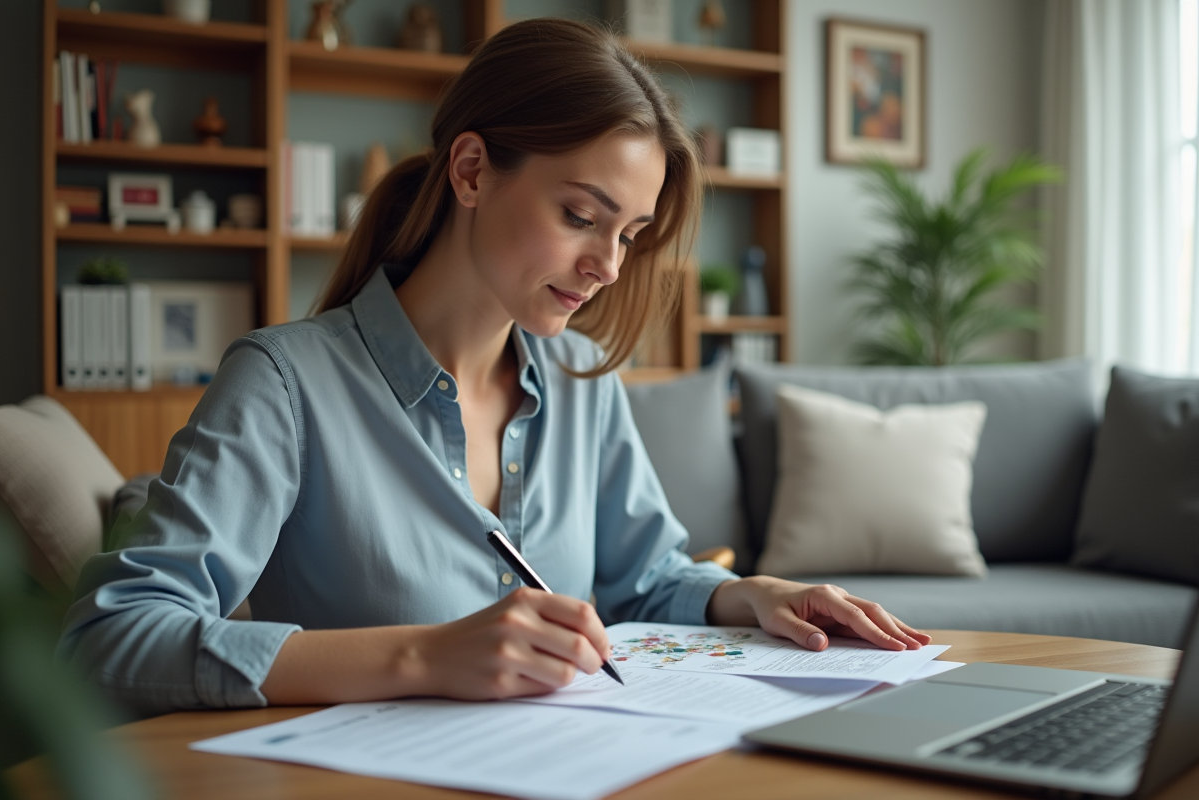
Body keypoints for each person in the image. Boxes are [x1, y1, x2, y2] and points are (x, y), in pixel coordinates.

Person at [60, 19, 930, 715]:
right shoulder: (285, 384)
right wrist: (421, 654)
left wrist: (760, 596)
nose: (610, 267)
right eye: (581, 215)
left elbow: (647, 577)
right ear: (472, 170)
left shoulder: (582, 378)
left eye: (629, 235)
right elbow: (109, 637)